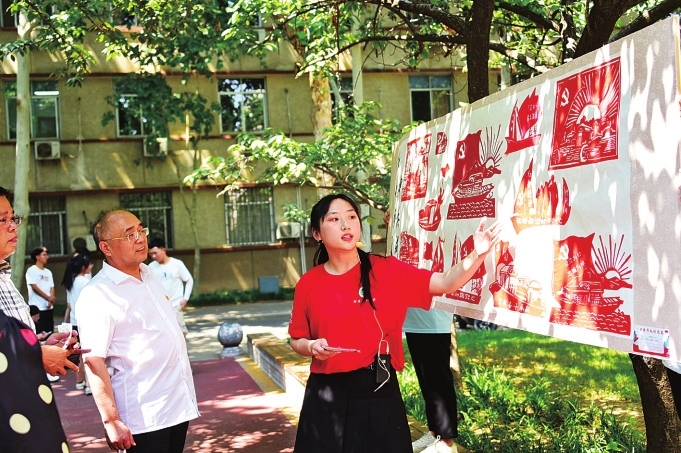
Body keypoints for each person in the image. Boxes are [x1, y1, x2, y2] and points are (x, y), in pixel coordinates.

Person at [288, 193, 501, 453]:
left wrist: (477, 254)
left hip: (377, 389)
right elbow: (296, 339)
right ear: (317, 233)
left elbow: (445, 282)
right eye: (334, 219)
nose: (346, 225)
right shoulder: (309, 284)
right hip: (325, 395)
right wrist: (311, 347)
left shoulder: (386, 270)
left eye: (352, 217)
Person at [77, 209, 200, 452]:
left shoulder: (149, 274)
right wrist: (111, 420)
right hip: (144, 416)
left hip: (177, 405)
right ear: (106, 247)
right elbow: (93, 360)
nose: (140, 238)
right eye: (129, 235)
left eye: (141, 230)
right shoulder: (97, 294)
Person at [0, 186, 82, 380]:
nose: (13, 226)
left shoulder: (5, 279)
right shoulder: (30, 272)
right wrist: (38, 355)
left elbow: (10, 344)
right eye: (2, 219)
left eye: (13, 218)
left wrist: (43, 347)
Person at [404, 310, 459, 453]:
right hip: (413, 321)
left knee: (438, 382)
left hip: (433, 322)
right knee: (427, 381)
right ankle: (435, 432)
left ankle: (446, 442)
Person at [61, 252, 94, 395]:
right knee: (89, 354)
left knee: (78, 353)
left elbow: (69, 305)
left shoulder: (71, 282)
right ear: (83, 267)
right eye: (89, 264)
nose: (91, 266)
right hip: (86, 322)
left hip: (74, 322)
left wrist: (65, 322)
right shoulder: (85, 282)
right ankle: (89, 385)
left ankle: (79, 382)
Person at [148, 237, 193, 336]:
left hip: (176, 305)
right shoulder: (151, 267)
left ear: (163, 250)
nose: (153, 256)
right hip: (160, 307)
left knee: (180, 333)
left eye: (155, 253)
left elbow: (189, 280)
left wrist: (185, 298)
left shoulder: (177, 264)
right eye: (151, 254)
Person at [26, 246, 56, 335]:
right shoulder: (31, 270)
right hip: (37, 307)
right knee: (39, 332)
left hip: (48, 307)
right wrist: (48, 298)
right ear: (37, 257)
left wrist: (51, 299)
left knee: (49, 331)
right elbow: (34, 287)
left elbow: (52, 286)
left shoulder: (48, 272)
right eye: (44, 255)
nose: (47, 257)